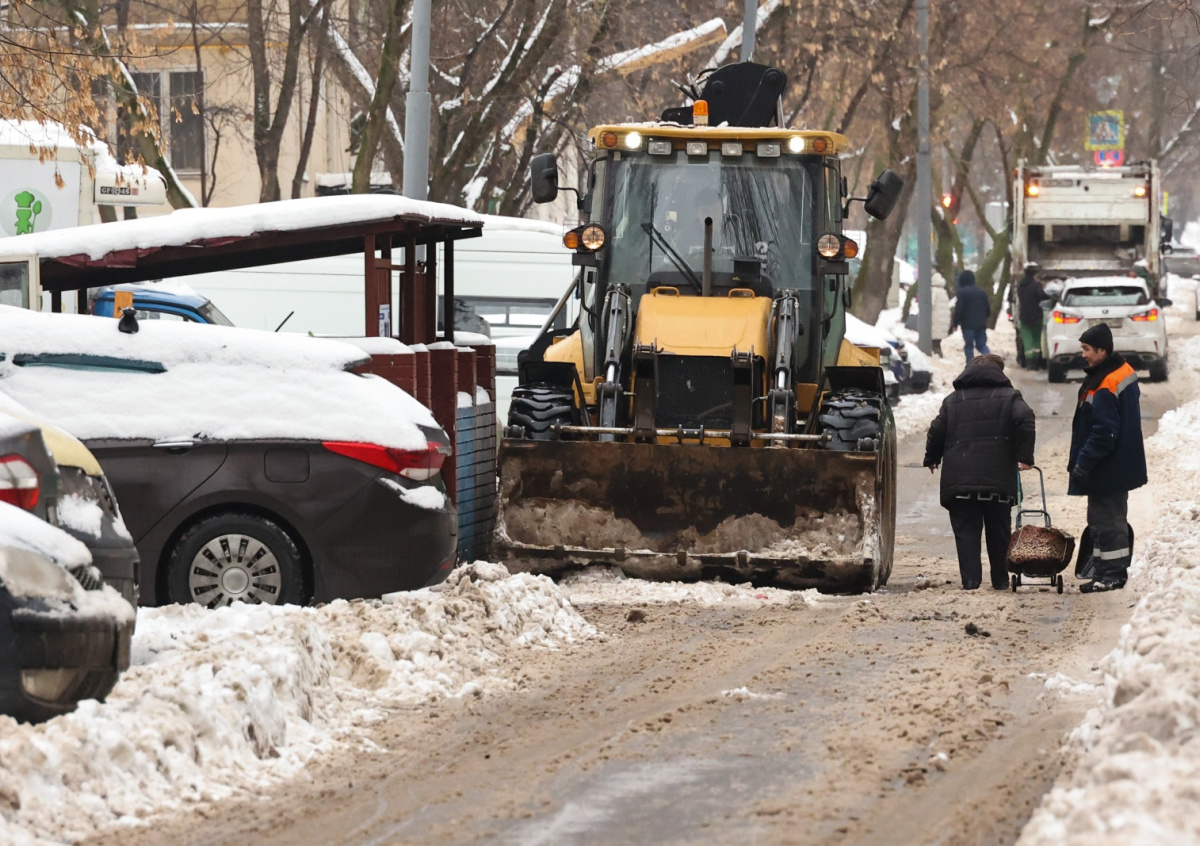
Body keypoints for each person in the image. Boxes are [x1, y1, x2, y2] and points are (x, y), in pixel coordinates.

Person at [924, 354, 1036, 590]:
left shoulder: (953, 400)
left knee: (966, 532)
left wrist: (932, 457)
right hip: (998, 480)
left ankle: (971, 581)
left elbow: (936, 429)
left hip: (960, 481)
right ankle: (1001, 580)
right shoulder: (1011, 397)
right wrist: (1024, 456)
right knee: (999, 531)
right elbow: (1025, 418)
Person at [1068, 323, 1147, 593]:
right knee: (1102, 519)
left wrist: (1084, 462)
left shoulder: (1106, 382)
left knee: (1107, 521)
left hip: (1108, 467)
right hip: (1116, 464)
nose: (1083, 355)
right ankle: (1103, 572)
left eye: (1087, 349)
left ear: (1102, 350)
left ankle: (1112, 574)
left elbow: (1104, 433)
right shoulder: (1119, 372)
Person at [954, 269, 990, 362]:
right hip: (981, 324)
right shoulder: (982, 292)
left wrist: (955, 323)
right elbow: (987, 309)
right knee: (981, 345)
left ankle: (970, 365)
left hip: (967, 325)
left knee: (969, 346)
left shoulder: (962, 292)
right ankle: (989, 361)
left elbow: (959, 310)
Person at [1017, 263, 1046, 370]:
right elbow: (1042, 296)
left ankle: (1029, 363)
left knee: (1027, 339)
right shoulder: (1036, 285)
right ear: (1034, 274)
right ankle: (1036, 363)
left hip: (1024, 316)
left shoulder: (1020, 286)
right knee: (1036, 339)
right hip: (1036, 316)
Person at [930, 271, 951, 358]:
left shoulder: (934, 291)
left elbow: (931, 304)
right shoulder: (943, 291)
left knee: (934, 340)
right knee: (937, 339)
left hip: (936, 318)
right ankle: (938, 353)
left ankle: (937, 355)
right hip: (943, 319)